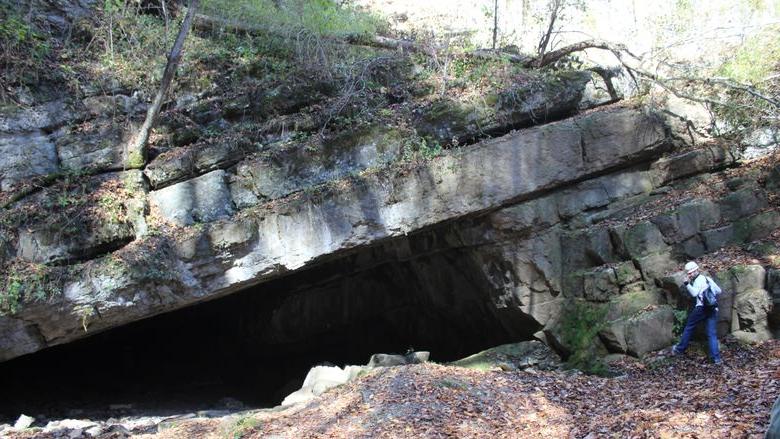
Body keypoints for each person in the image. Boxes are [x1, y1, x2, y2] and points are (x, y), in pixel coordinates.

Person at [672, 261, 723, 365]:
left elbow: (695, 293)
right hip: (712, 308)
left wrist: (687, 284)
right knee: (711, 334)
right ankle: (716, 358)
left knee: (689, 326)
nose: (689, 274)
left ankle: (679, 349)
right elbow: (719, 291)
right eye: (688, 273)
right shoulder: (707, 279)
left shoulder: (697, 281)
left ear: (696, 271)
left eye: (691, 273)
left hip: (701, 308)